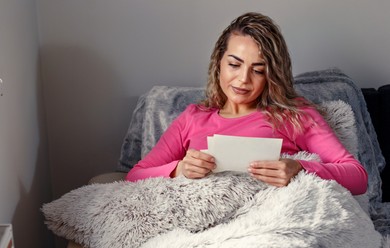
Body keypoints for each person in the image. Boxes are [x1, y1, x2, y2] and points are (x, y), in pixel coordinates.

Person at [126, 12, 367, 195]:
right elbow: (134, 176)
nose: (243, 79)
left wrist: (299, 169)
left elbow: (357, 178)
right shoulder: (193, 117)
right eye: (234, 64)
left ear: (272, 75)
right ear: (218, 62)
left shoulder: (294, 114)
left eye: (258, 70)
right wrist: (179, 170)